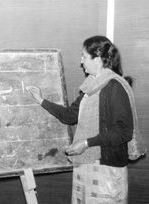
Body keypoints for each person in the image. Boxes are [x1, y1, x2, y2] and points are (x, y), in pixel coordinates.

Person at [27, 35, 145, 204]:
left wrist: (86, 143)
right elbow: (69, 116)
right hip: (87, 166)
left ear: (97, 60)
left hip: (107, 170)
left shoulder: (115, 87)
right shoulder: (90, 86)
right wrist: (41, 100)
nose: (81, 61)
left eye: (84, 56)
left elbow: (123, 131)